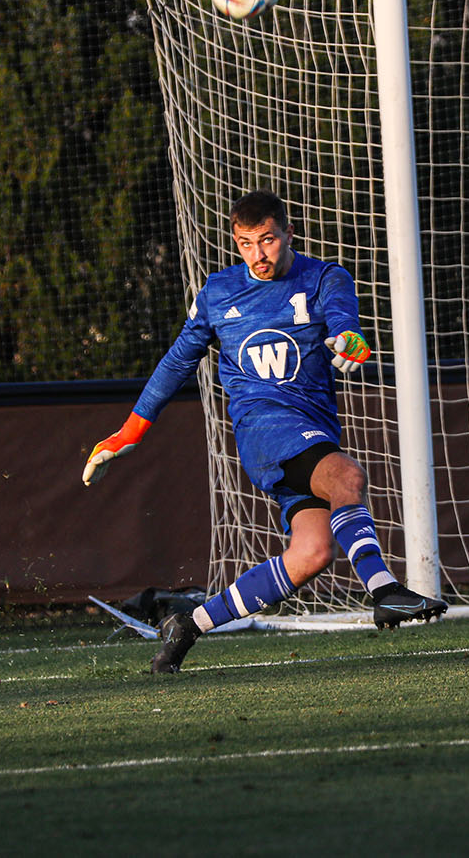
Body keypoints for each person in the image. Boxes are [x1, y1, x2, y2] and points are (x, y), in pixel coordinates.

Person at [81, 189, 446, 673]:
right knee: (346, 478)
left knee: (312, 552)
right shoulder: (218, 293)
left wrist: (348, 338)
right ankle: (385, 590)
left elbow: (343, 321)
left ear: (287, 234)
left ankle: (187, 626)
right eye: (246, 243)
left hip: (312, 429)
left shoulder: (324, 277)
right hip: (263, 431)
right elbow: (175, 365)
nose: (258, 254)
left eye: (267, 240)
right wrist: (128, 433)